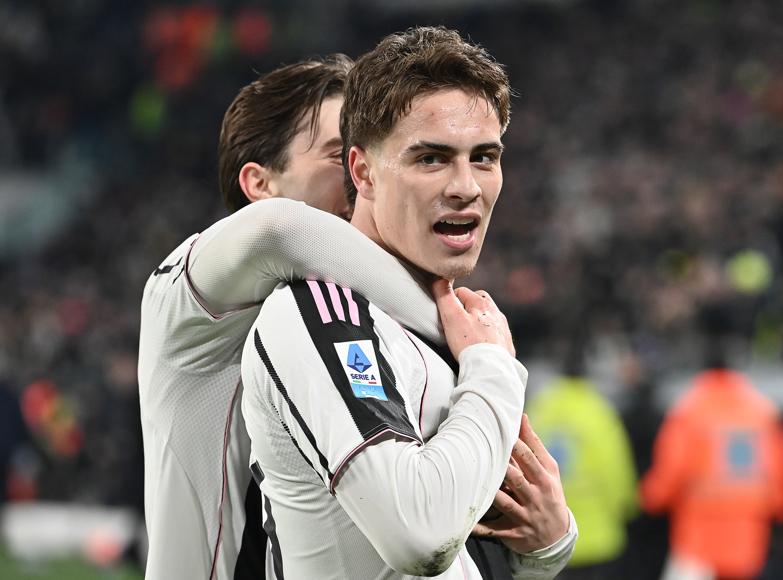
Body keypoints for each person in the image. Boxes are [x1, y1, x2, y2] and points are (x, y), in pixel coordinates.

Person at [240, 26, 577, 579]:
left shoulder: (450, 328)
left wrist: (548, 545)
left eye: (484, 157)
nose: (466, 186)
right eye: (432, 159)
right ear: (363, 172)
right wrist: (493, 368)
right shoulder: (317, 313)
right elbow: (418, 538)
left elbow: (466, 551)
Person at [138, 55, 445, 580]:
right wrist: (452, 329)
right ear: (260, 183)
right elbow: (279, 230)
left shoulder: (366, 313)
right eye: (338, 155)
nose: (362, 173)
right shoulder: (184, 301)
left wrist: (548, 544)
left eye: (371, 153)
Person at [640, 345, 783, 580]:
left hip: (698, 536)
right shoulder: (761, 412)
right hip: (748, 535)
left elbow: (671, 470)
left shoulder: (689, 410)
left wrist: (649, 499)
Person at [525, 339, 638, 579]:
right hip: (597, 536)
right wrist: (625, 508)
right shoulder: (598, 410)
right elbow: (615, 469)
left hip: (549, 535)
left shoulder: (541, 407)